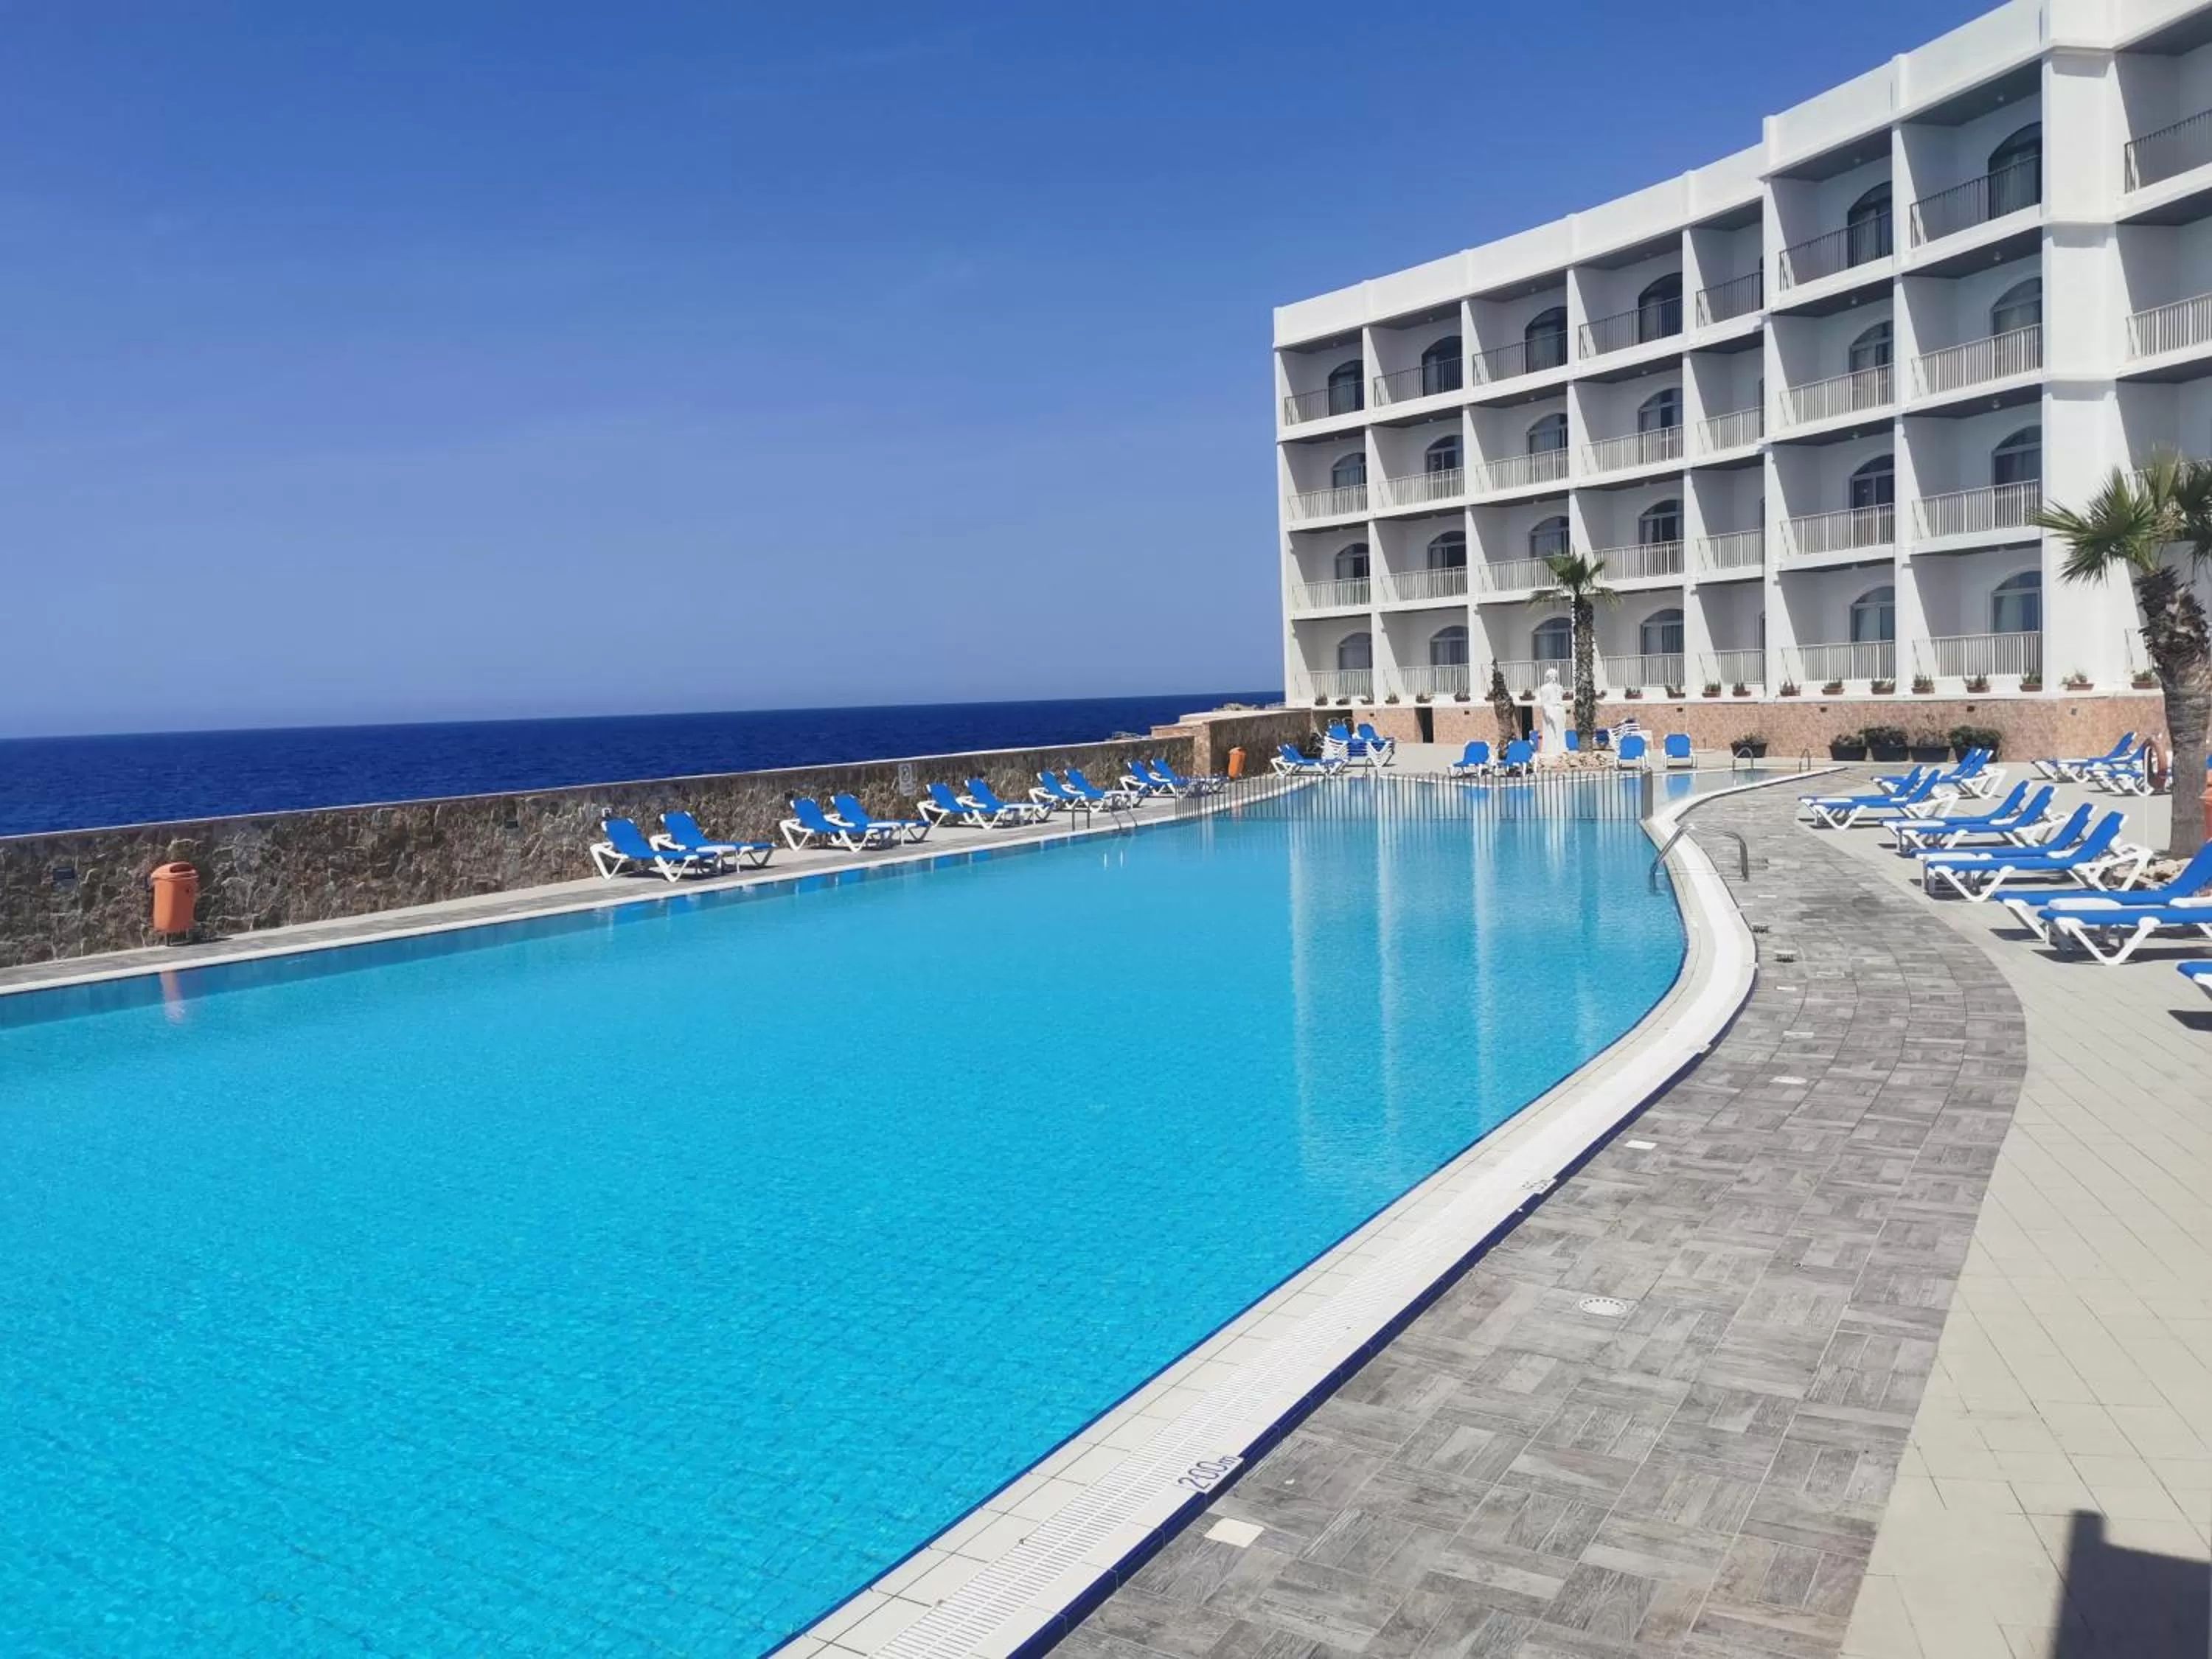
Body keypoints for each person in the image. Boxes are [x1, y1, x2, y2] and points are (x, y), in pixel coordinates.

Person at [1535, 668, 1568, 765]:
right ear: (1548, 677)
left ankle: (1561, 748)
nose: (1554, 677)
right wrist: (1549, 713)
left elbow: (1561, 700)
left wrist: (1563, 711)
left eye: (1555, 675)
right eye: (1552, 675)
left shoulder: (1560, 688)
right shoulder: (1545, 688)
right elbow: (1544, 703)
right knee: (1552, 731)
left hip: (1559, 709)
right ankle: (1551, 749)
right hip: (1551, 709)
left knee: (1561, 730)